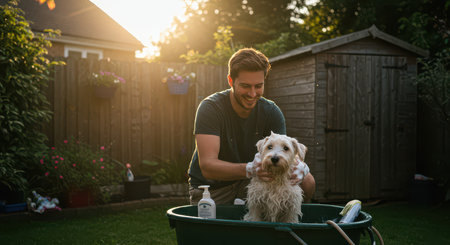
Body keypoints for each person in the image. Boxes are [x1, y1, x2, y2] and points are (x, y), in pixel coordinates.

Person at [188, 48, 315, 205]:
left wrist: (302, 168)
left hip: (253, 181)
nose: (253, 93)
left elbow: (283, 153)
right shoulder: (211, 108)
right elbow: (208, 166)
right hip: (213, 188)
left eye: (258, 86)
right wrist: (249, 169)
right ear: (230, 81)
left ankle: (296, 221)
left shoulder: (271, 111)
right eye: (246, 86)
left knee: (308, 181)